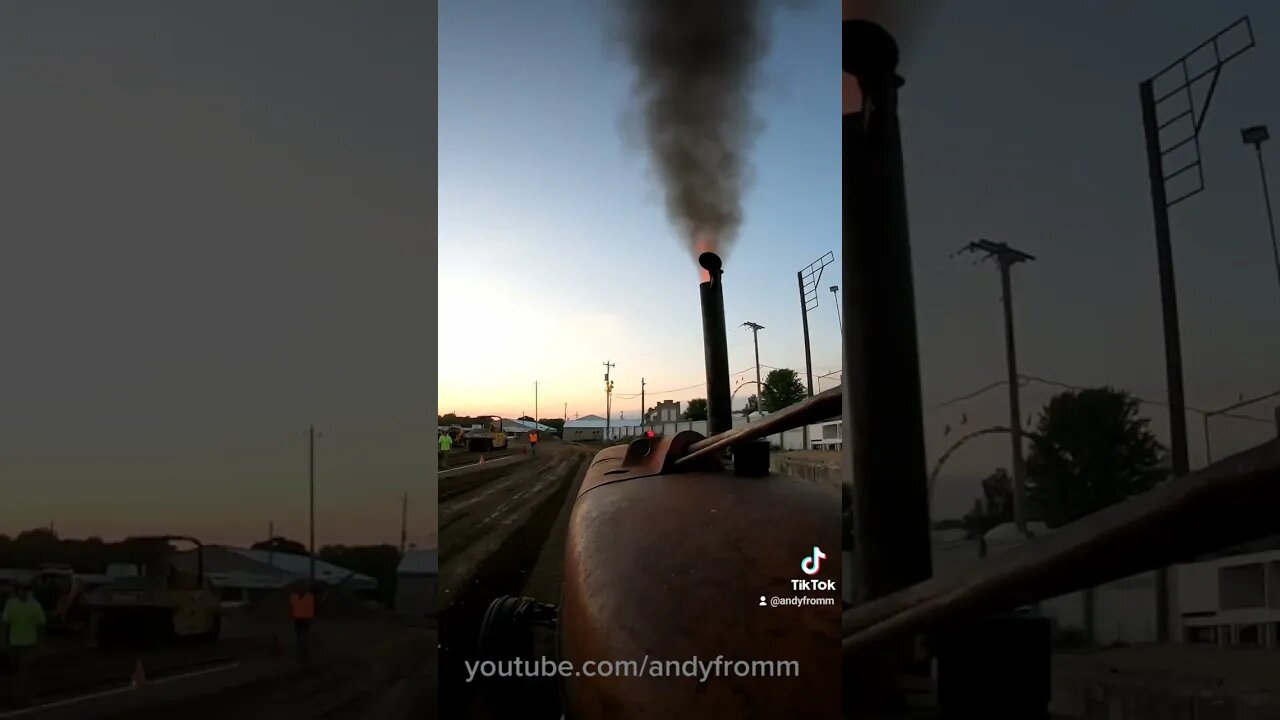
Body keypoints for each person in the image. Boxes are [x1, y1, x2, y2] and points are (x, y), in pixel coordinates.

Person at [2, 582, 46, 706]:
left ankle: (22, 696)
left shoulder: (35, 606)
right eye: (21, 590)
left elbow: (41, 625)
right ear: (17, 591)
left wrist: (41, 644)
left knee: (25, 669)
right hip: (14, 643)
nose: (23, 592)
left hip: (30, 643)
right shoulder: (10, 604)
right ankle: (21, 695)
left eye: (26, 590)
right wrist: (4, 641)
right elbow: (5, 624)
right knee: (16, 671)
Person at [288, 582, 316, 666]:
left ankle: (303, 651)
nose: (300, 590)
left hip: (304, 619)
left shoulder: (306, 597)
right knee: (300, 635)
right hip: (300, 619)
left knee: (303, 635)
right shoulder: (296, 597)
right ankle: (302, 650)